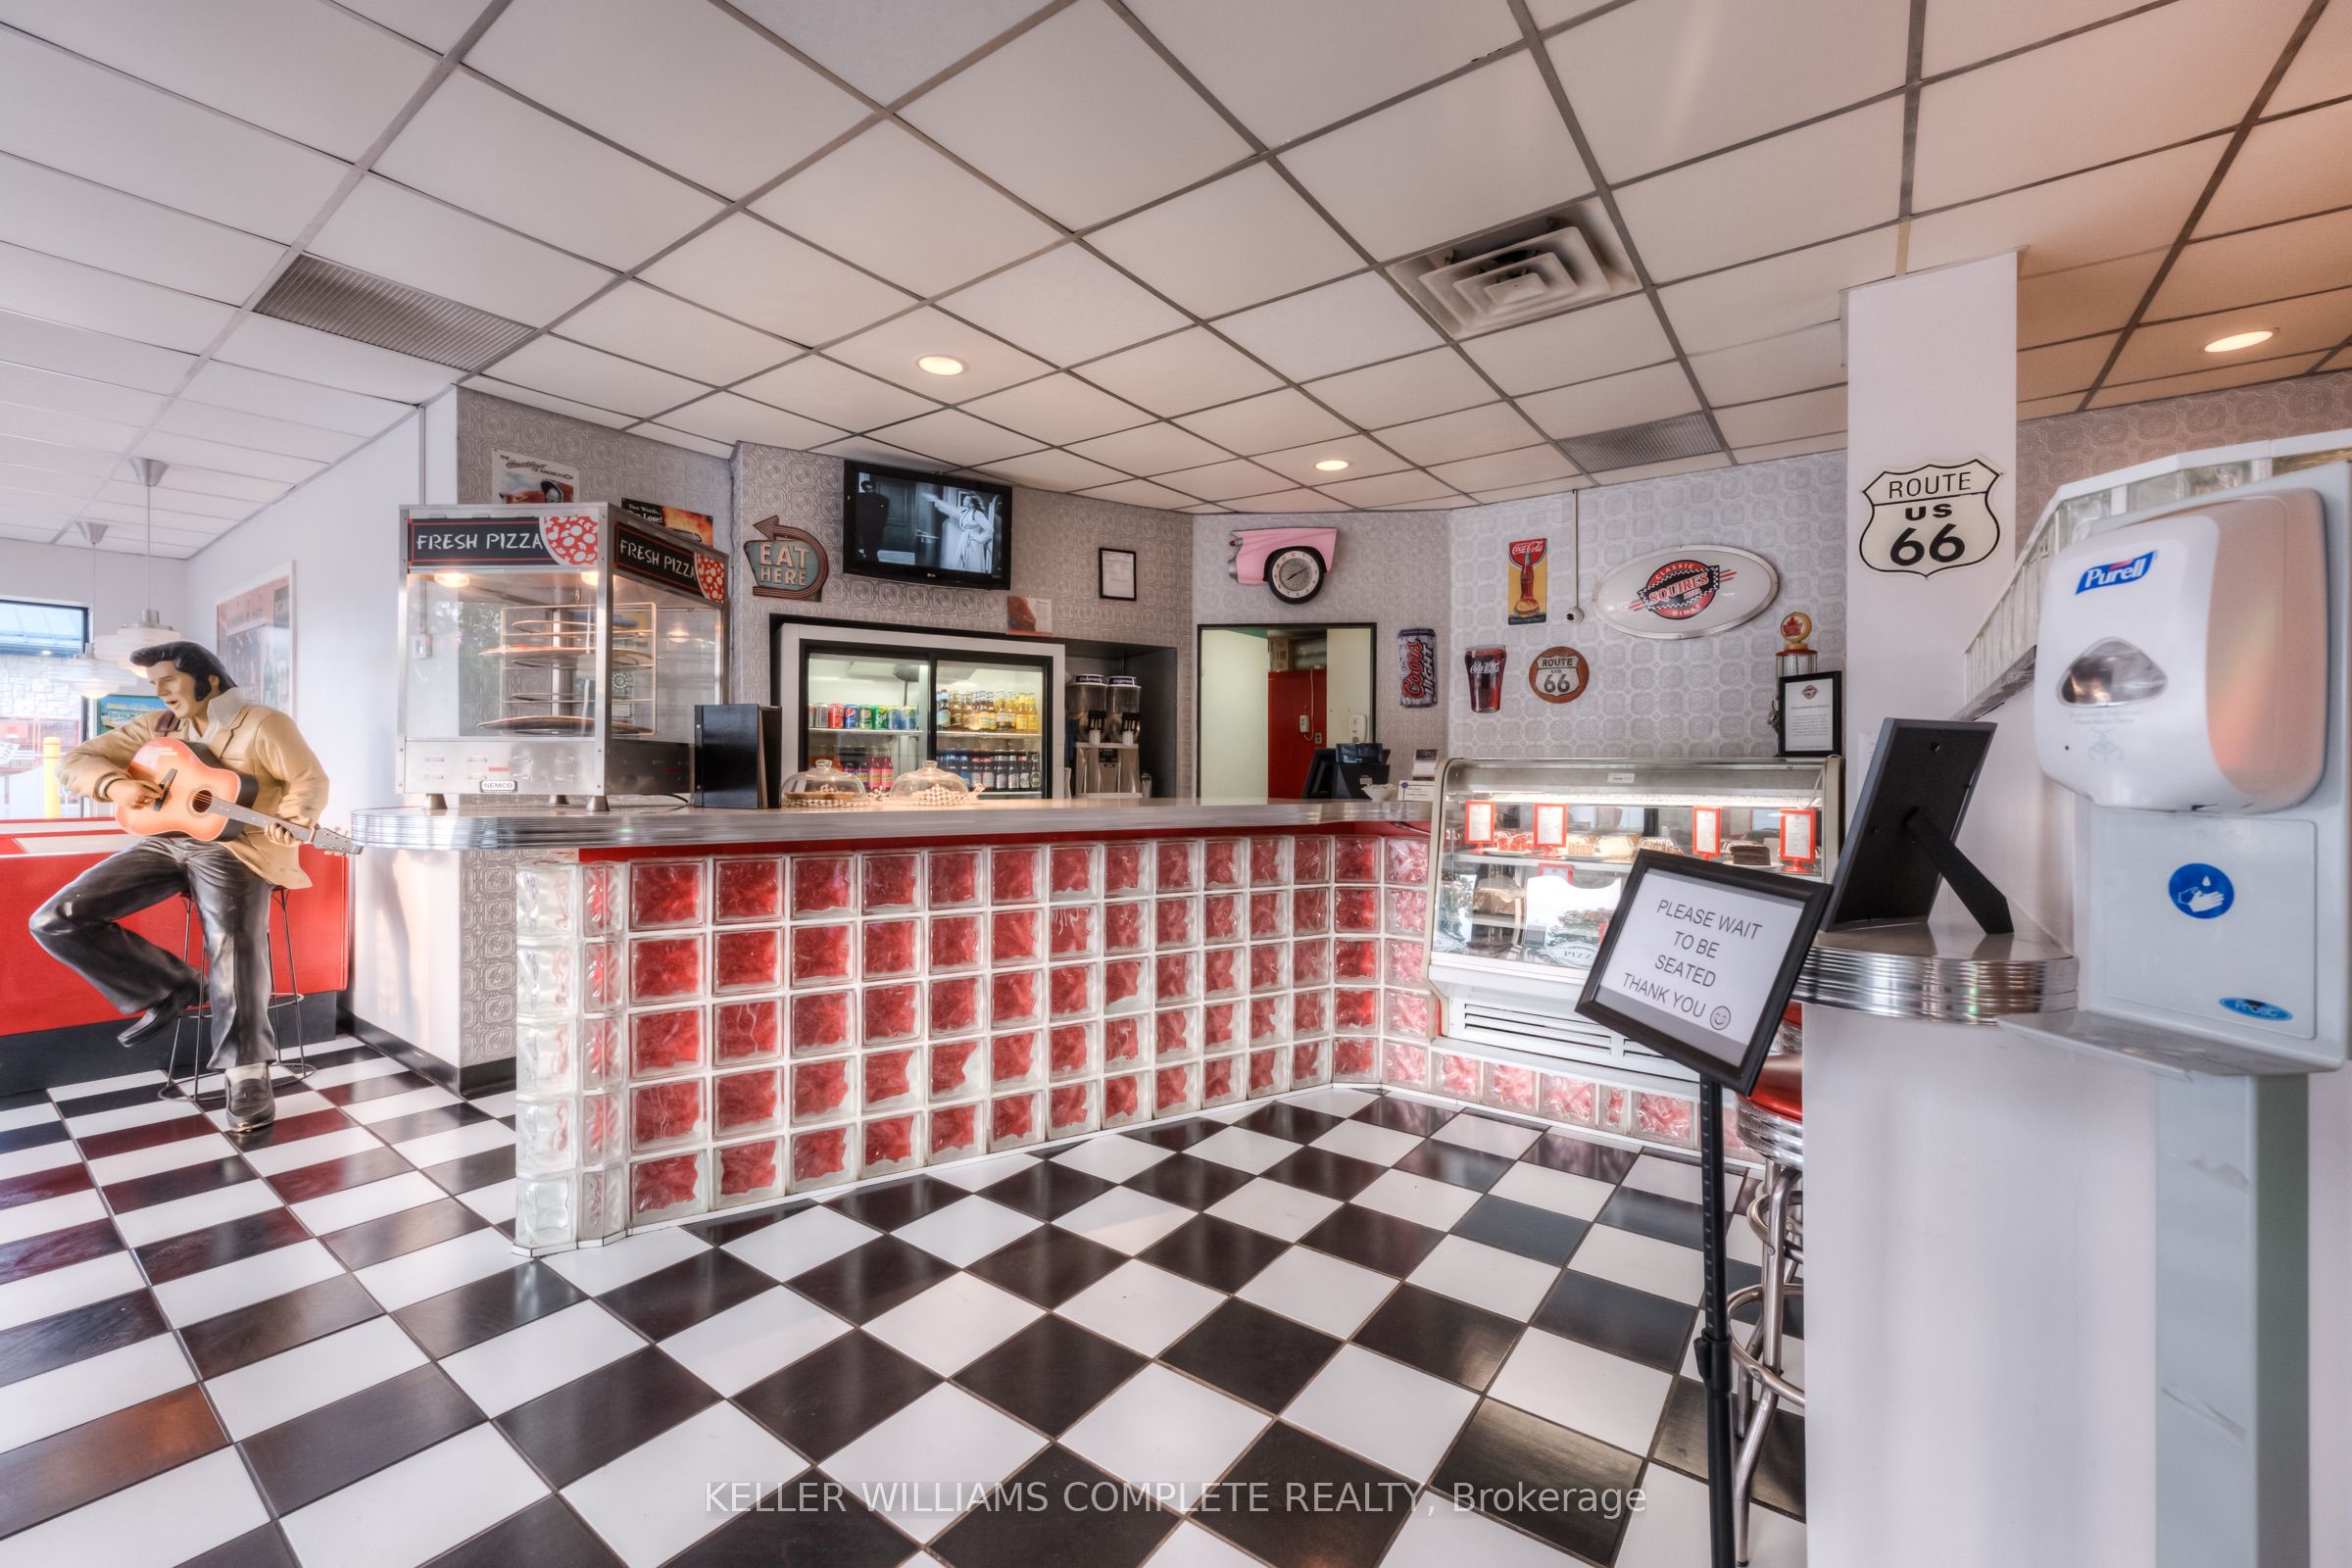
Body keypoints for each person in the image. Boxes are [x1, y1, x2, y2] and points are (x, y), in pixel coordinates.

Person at [29, 642, 327, 1134]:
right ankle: (170, 985)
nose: (161, 692)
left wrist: (294, 818)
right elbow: (77, 760)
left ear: (207, 680)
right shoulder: (160, 727)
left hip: (239, 848)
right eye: (155, 684)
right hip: (166, 842)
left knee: (233, 943)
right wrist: (115, 785)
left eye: (168, 680)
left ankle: (247, 1072)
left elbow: (308, 780)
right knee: (56, 919)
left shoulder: (263, 724)